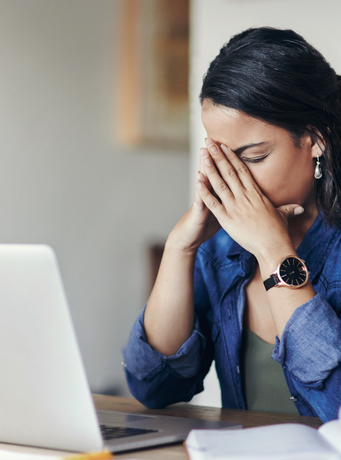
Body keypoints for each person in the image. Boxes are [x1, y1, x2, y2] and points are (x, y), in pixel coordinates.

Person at [122, 27, 341, 423]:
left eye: (254, 156)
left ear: (315, 138)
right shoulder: (222, 249)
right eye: (224, 158)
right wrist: (180, 248)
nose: (236, 179)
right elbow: (153, 388)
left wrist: (274, 251)